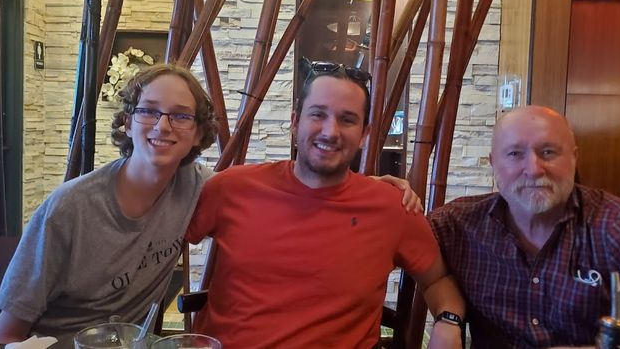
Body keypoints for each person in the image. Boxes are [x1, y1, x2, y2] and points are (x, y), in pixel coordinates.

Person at [186, 61, 465, 348]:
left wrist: (448, 323)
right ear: (295, 122)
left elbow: (438, 280)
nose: (330, 131)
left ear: (364, 135)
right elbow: (169, 235)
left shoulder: (392, 207)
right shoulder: (232, 188)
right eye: (318, 114)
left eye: (347, 120)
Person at [0, 64, 218, 343]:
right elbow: (7, 332)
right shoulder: (70, 207)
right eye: (148, 111)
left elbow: (251, 210)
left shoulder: (196, 186)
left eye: (181, 115)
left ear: (198, 133)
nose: (163, 126)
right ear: (128, 123)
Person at [428, 106, 620, 348]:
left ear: (574, 158)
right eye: (515, 154)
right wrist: (448, 319)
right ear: (493, 162)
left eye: (548, 152)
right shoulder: (457, 224)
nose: (534, 169)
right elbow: (408, 239)